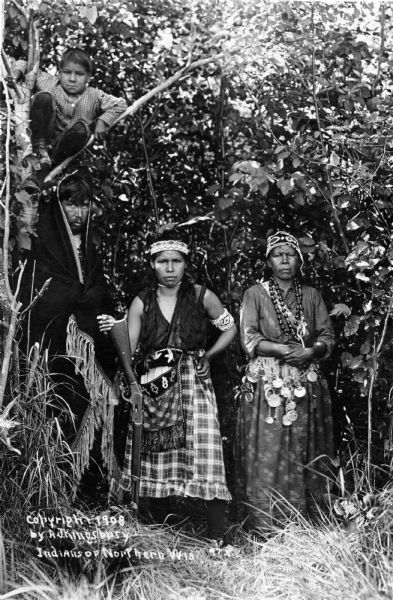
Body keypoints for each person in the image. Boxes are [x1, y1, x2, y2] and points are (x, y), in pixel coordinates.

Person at [100, 231, 236, 542]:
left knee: (206, 447)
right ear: (153, 264)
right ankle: (163, 529)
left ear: (186, 264)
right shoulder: (141, 302)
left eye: (176, 261)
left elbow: (230, 328)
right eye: (163, 261)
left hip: (193, 381)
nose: (170, 268)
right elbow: (130, 347)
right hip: (154, 385)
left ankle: (216, 535)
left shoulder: (202, 296)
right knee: (157, 454)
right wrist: (115, 331)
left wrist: (210, 356)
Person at [19, 172, 118, 493]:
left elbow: (99, 292)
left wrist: (101, 314)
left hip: (85, 350)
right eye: (71, 204)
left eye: (85, 204)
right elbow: (39, 294)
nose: (78, 213)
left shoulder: (89, 246)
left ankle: (84, 486)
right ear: (59, 206)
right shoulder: (44, 243)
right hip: (54, 348)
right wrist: (74, 299)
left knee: (88, 406)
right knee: (57, 407)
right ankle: (50, 485)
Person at [236, 231, 335, 533]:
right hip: (268, 381)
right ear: (268, 260)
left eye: (289, 254)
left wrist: (309, 351)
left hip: (305, 379)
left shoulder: (312, 295)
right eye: (277, 254)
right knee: (269, 449)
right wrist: (284, 350)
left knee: (305, 448)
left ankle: (307, 523)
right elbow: (249, 338)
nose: (283, 259)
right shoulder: (255, 293)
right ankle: (265, 524)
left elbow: (327, 337)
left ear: (299, 260)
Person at [11, 47, 127, 170]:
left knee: (81, 129)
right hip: (43, 139)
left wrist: (103, 121)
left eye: (79, 74)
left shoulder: (95, 95)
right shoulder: (50, 83)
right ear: (59, 73)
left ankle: (51, 164)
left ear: (88, 78)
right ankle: (39, 149)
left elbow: (120, 104)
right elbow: (23, 64)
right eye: (67, 73)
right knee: (44, 97)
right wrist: (16, 74)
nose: (72, 79)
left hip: (64, 149)